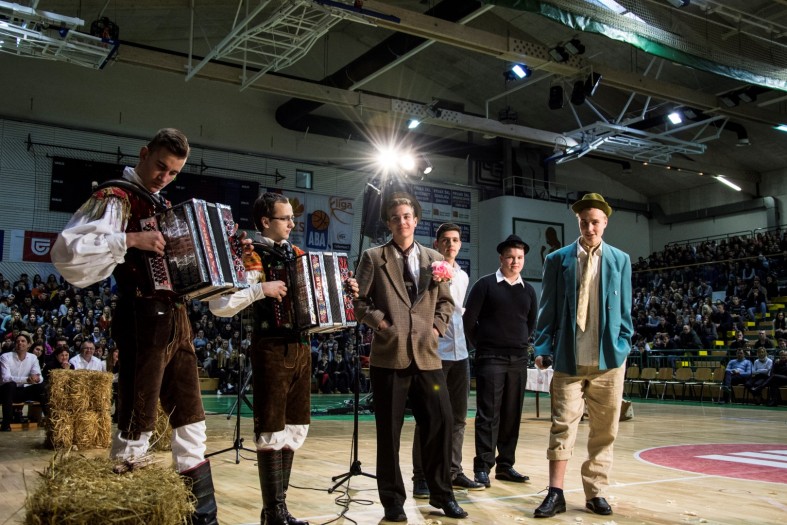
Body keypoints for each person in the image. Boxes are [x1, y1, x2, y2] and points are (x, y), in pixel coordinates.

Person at [50, 128, 218, 524]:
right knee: (137, 417)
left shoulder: (163, 204)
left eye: (174, 172)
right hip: (142, 316)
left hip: (178, 319)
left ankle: (202, 517)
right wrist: (130, 240)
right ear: (144, 154)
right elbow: (67, 252)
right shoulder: (117, 196)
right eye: (161, 166)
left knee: (191, 417)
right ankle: (129, 511)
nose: (164, 177)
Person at [354, 192, 466, 521]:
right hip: (389, 358)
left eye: (407, 216)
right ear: (389, 224)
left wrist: (436, 329)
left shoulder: (435, 258)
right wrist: (382, 324)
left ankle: (442, 495)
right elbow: (358, 301)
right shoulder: (373, 257)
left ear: (416, 220)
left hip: (428, 357)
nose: (402, 221)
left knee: (441, 422)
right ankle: (392, 501)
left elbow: (445, 302)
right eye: (395, 217)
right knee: (389, 433)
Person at [209, 191, 313, 525]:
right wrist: (260, 290)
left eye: (292, 218)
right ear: (266, 221)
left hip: (301, 348)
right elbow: (220, 306)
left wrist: (344, 291)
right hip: (270, 347)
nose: (292, 224)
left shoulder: (299, 255)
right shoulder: (251, 254)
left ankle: (276, 512)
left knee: (296, 426)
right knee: (271, 426)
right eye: (286, 218)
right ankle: (274, 511)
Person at [532, 192, 633, 518]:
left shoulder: (620, 260)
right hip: (569, 359)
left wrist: (622, 346)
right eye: (584, 222)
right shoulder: (557, 259)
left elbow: (626, 311)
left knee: (605, 431)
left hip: (609, 362)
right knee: (562, 426)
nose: (590, 228)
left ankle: (596, 492)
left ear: (605, 223)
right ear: (578, 223)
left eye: (595, 222)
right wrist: (542, 348)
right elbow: (547, 310)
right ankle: (556, 493)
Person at [411, 223, 484, 499]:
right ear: (436, 244)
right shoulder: (426, 273)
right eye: (445, 240)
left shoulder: (463, 276)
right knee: (428, 416)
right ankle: (421, 476)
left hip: (460, 353)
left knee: (459, 418)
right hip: (435, 354)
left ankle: (453, 470)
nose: (450, 244)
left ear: (460, 244)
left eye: (455, 240)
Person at [463, 234, 537, 488]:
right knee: (488, 414)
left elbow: (531, 324)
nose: (515, 262)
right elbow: (468, 322)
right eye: (510, 257)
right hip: (490, 358)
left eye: (519, 257)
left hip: (518, 359)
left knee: (511, 414)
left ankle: (506, 465)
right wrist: (483, 345)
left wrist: (518, 343)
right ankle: (482, 467)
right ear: (501, 259)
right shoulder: (485, 285)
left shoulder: (529, 291)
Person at [1, 332, 45, 431]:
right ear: (15, 344)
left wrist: (37, 378)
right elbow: (5, 378)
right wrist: (27, 379)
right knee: (10, 385)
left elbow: (39, 376)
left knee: (41, 387)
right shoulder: (5, 357)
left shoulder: (33, 358)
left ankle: (51, 421)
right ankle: (6, 424)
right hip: (5, 392)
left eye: (23, 341)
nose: (20, 343)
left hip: (22, 392)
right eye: (17, 341)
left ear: (29, 344)